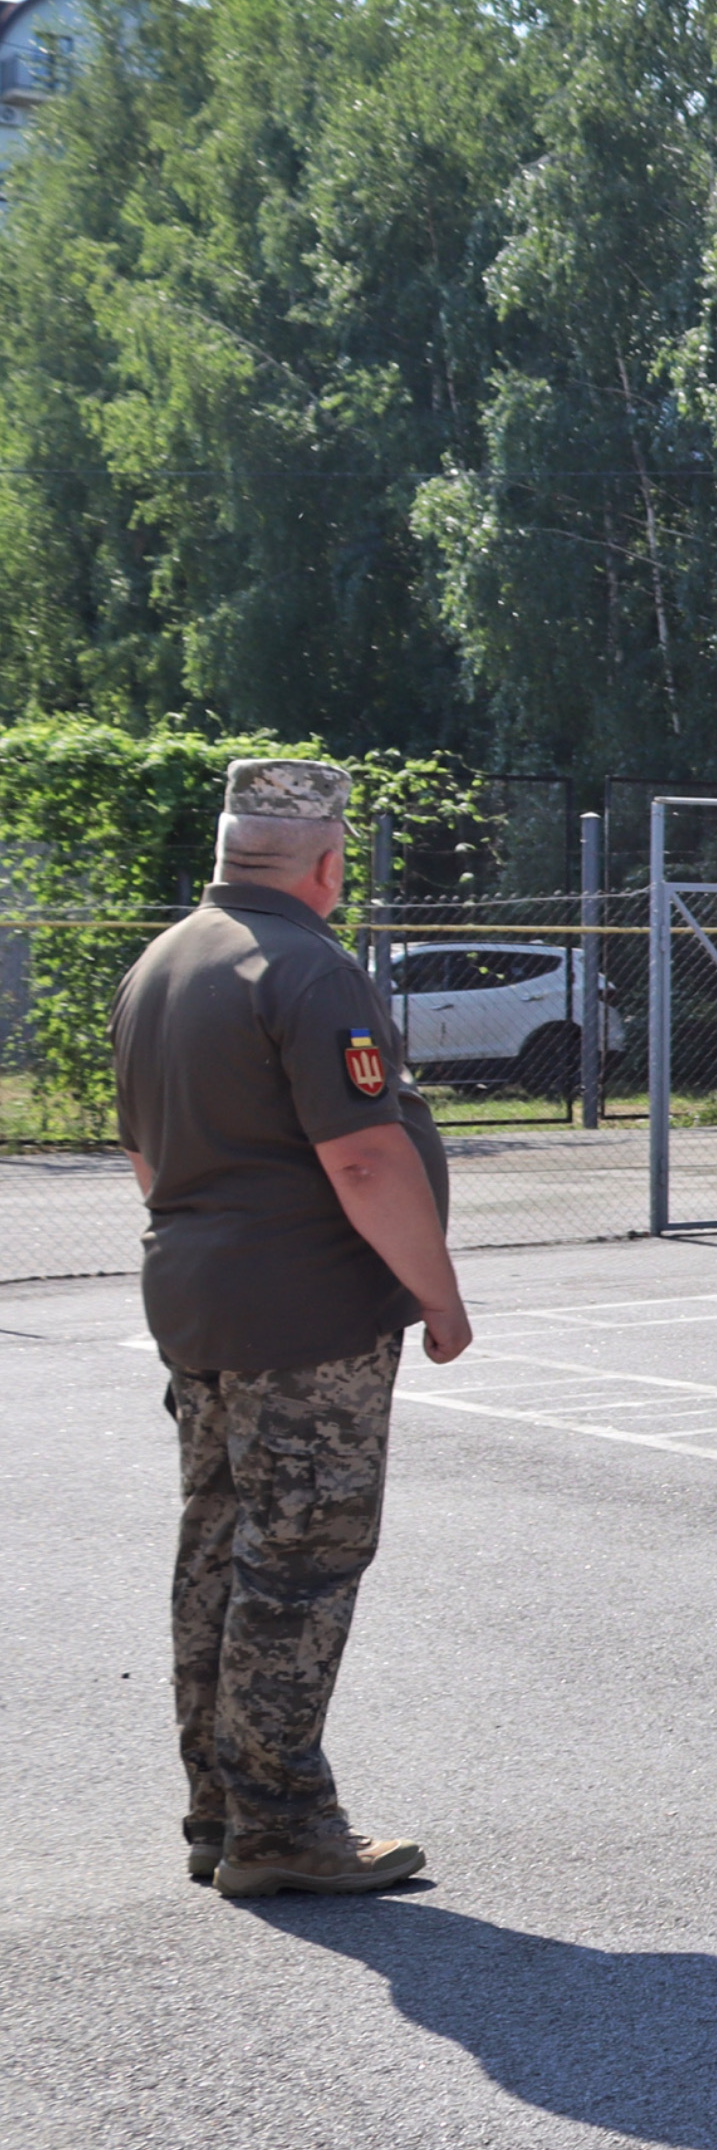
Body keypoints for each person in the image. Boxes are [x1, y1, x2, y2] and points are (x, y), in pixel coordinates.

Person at [113, 756, 469, 1898]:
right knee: (302, 1562)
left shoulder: (161, 964)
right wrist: (440, 1294)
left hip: (199, 1305)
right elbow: (364, 1155)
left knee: (218, 1549)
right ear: (328, 861)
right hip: (306, 1316)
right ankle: (280, 1825)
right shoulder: (308, 968)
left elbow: (144, 1156)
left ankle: (220, 1810)